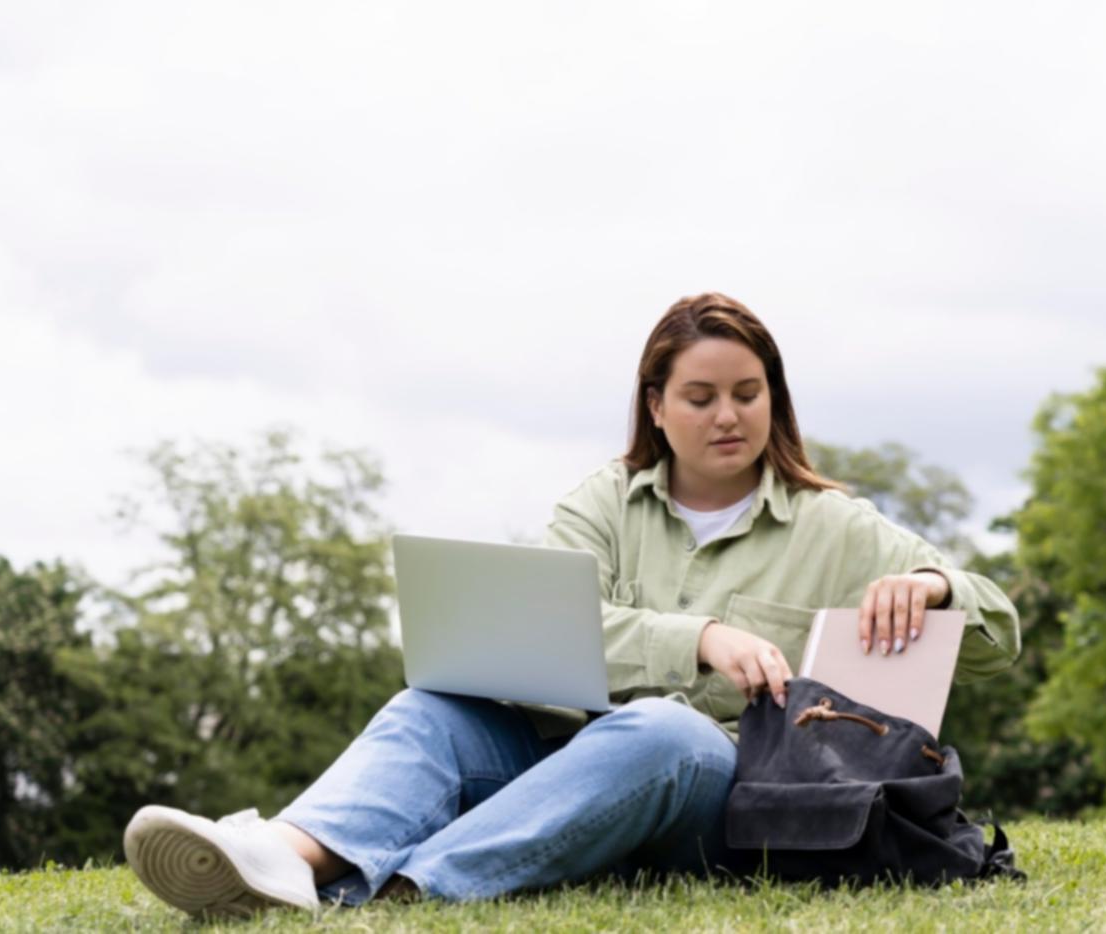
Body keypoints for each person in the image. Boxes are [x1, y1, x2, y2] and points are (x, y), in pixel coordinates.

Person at [122, 292, 1021, 918]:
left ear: (774, 401)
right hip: (567, 762)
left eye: (748, 395)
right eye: (701, 397)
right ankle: (284, 858)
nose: (728, 417)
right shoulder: (601, 503)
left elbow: (998, 635)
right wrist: (698, 637)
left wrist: (938, 586)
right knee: (433, 703)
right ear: (657, 406)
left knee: (662, 733)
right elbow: (542, 635)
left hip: (728, 801)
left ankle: (401, 894)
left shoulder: (838, 525)